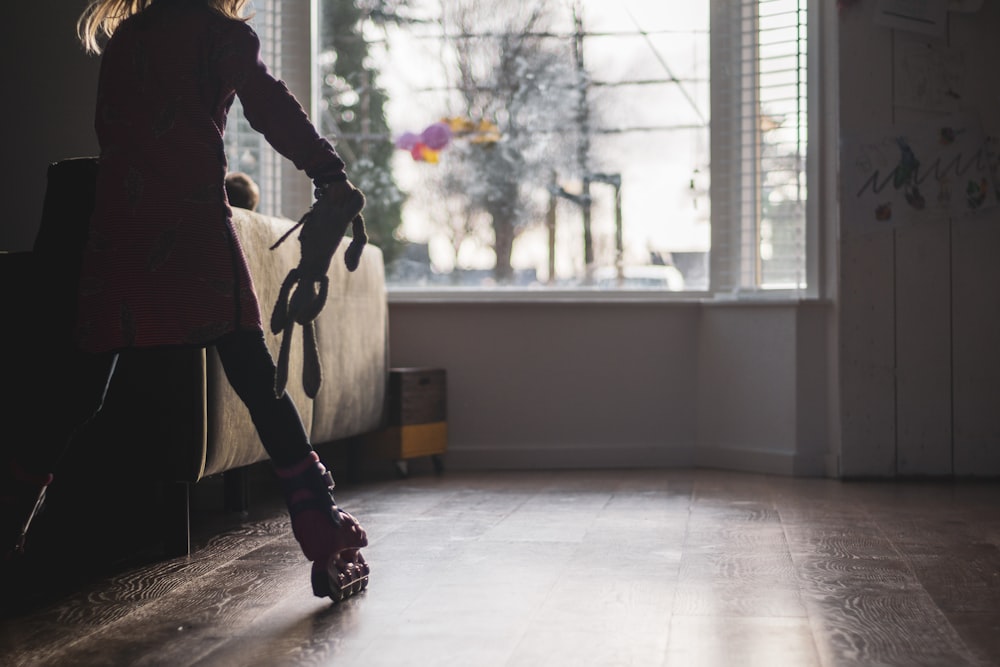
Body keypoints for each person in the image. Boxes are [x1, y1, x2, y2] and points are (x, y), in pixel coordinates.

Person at [2, 0, 369, 603]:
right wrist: (328, 173)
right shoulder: (223, 36)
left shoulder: (127, 37)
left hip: (117, 229)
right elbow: (269, 106)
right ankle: (319, 521)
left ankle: (8, 517)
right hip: (192, 225)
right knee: (256, 376)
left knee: (79, 388)